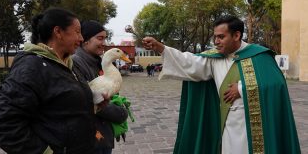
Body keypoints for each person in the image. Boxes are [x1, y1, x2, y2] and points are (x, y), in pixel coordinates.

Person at [142, 16, 301, 154]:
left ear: (237, 35)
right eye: (215, 37)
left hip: (255, 124)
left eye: (221, 37)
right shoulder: (214, 58)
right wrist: (161, 48)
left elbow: (276, 84)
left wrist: (241, 89)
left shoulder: (260, 56)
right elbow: (189, 62)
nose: (216, 42)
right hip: (228, 122)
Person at [0, 8, 96, 154]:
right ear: (58, 32)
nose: (82, 38)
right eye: (77, 32)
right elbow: (3, 123)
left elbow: (62, 108)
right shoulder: (31, 67)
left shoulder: (67, 64)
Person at [72, 20, 128, 154]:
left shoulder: (98, 62)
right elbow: (88, 100)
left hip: (102, 136)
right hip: (90, 139)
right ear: (85, 40)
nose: (104, 43)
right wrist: (120, 113)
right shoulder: (76, 63)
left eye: (105, 39)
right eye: (100, 38)